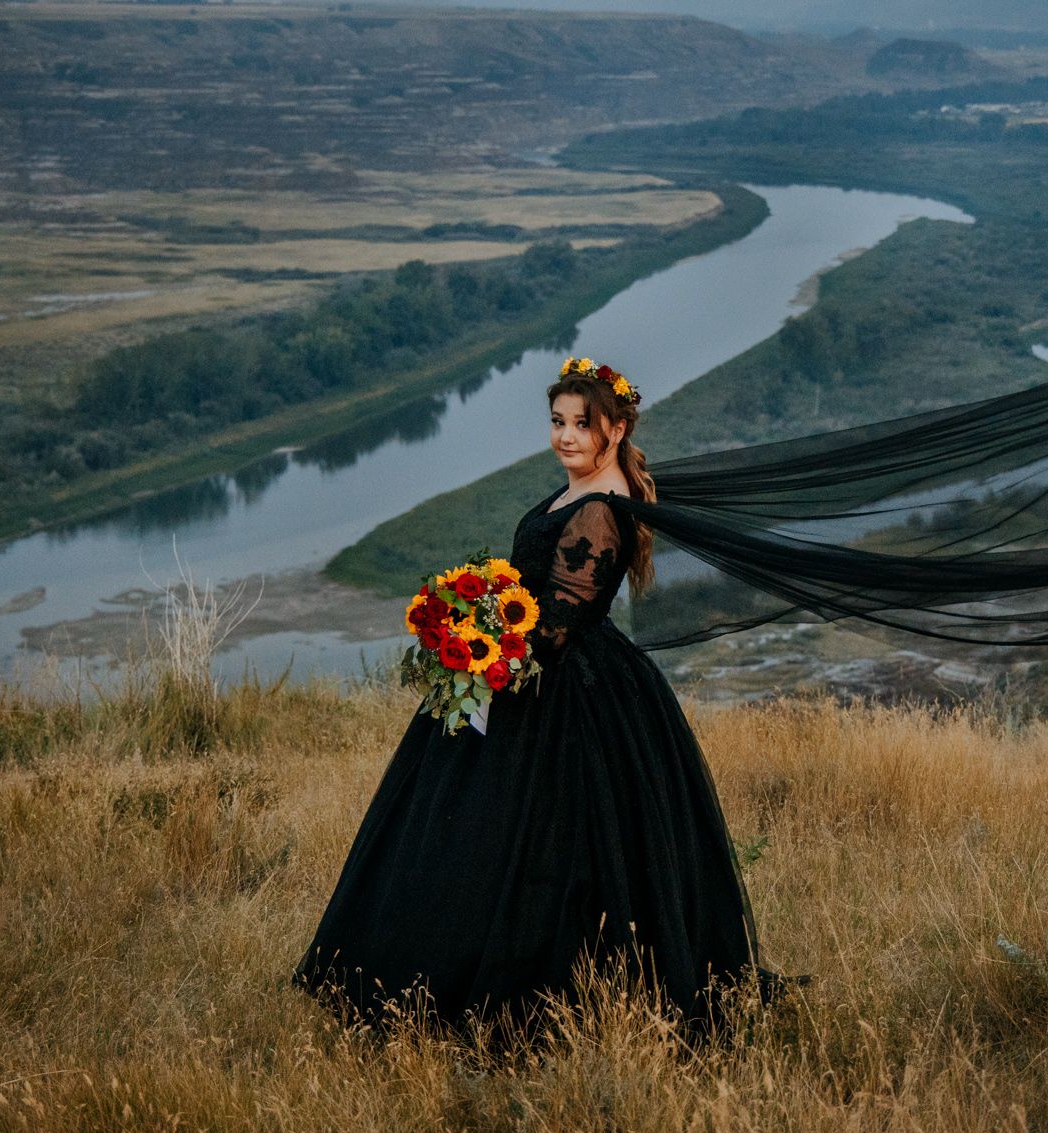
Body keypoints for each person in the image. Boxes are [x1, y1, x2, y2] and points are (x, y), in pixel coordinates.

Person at [292, 355, 787, 1044]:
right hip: (536, 670)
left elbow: (555, 625)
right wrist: (476, 617)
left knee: (542, 841)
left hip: (566, 689)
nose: (566, 436)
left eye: (582, 424)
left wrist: (477, 639)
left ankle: (536, 998)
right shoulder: (586, 487)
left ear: (615, 429)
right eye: (558, 421)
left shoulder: (601, 507)